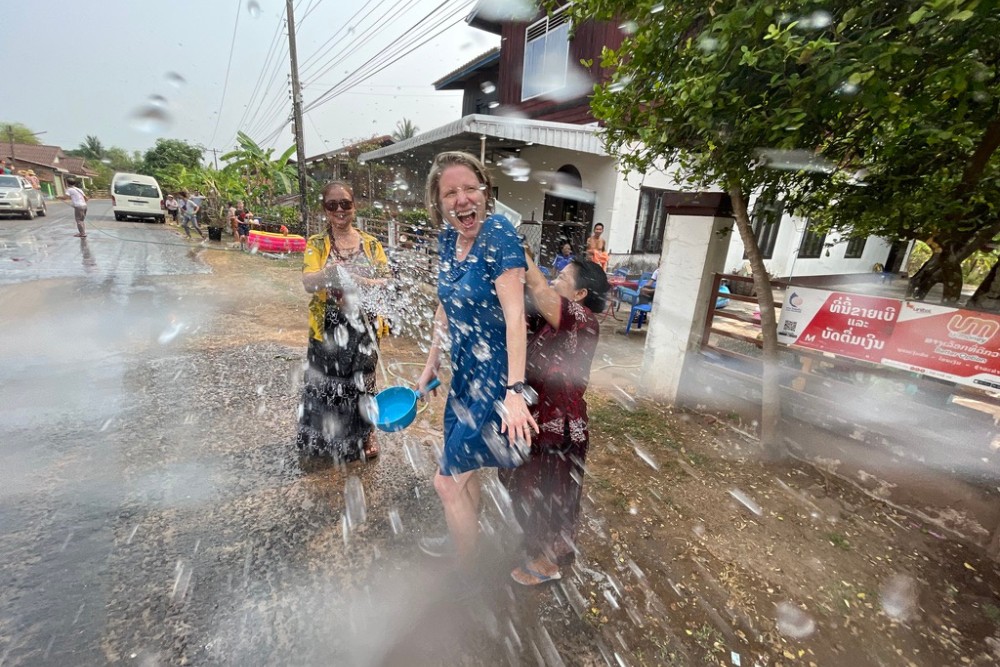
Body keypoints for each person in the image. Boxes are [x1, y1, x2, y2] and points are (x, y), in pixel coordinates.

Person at [416, 151, 537, 563]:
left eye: (470, 188)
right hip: (464, 375)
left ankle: (465, 573)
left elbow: (516, 318)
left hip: (495, 378)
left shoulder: (500, 233)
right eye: (451, 192)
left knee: (446, 483)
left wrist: (515, 392)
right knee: (464, 473)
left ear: (485, 192)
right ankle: (467, 543)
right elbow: (445, 304)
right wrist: (431, 362)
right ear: (439, 202)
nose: (462, 199)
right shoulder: (448, 239)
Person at [499, 253, 610, 585]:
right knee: (526, 486)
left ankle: (550, 562)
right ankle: (534, 545)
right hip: (535, 419)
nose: (553, 280)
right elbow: (517, 309)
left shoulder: (584, 320)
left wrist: (516, 249)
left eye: (562, 278)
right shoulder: (547, 319)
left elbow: (538, 287)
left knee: (553, 494)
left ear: (579, 295)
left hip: (561, 426)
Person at [296, 181, 390, 464]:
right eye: (332, 205)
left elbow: (385, 283)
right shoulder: (316, 244)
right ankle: (321, 436)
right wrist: (330, 274)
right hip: (327, 325)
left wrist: (357, 281)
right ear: (324, 209)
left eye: (345, 203)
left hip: (364, 324)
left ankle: (367, 434)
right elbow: (307, 282)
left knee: (364, 381)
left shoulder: (372, 245)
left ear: (354, 206)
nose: (339, 209)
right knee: (323, 383)